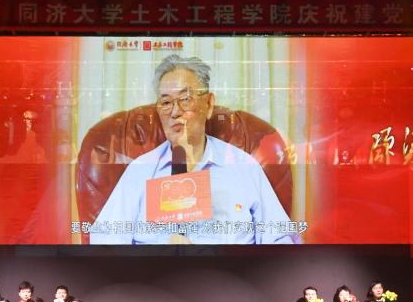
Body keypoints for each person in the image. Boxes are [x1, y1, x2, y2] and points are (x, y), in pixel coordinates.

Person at [89, 54, 297, 244]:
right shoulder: (140, 170)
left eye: (185, 99)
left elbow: (280, 239)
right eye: (166, 102)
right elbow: (105, 241)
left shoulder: (243, 166)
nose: (175, 112)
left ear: (208, 104)